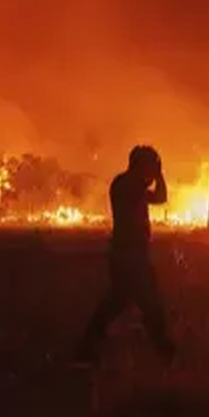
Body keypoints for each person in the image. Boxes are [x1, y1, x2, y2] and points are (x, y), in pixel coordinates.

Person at [74, 145, 175, 365]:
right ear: (139, 165)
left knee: (122, 303)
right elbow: (155, 195)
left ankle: (87, 346)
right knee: (140, 302)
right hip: (129, 256)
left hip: (132, 254)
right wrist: (157, 174)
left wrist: (158, 175)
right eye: (149, 165)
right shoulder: (125, 185)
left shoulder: (130, 184)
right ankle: (163, 348)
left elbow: (160, 197)